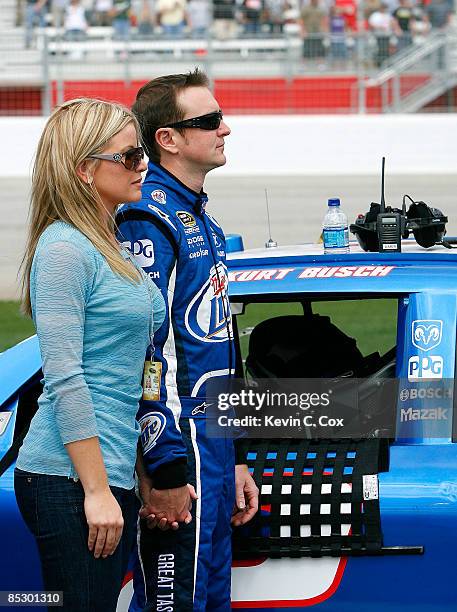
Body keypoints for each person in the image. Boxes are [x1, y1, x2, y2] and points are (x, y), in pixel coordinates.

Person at [14, 98, 165, 612]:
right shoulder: (64, 248)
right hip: (67, 477)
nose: (142, 164)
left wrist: (137, 473)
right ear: (84, 170)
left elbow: (129, 373)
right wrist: (97, 491)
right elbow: (64, 378)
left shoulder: (110, 241)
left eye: (141, 153)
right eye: (128, 156)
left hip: (107, 473)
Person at [115, 69, 259, 611]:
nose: (226, 128)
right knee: (175, 603)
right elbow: (143, 351)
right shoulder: (147, 216)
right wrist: (165, 465)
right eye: (208, 120)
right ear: (167, 139)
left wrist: (236, 456)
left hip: (213, 445)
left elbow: (217, 348)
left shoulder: (201, 218)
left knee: (210, 598)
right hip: (181, 444)